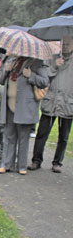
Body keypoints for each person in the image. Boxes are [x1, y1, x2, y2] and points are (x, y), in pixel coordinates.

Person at [0, 55, 49, 175]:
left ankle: (21, 166)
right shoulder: (12, 61)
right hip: (9, 106)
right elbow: (0, 80)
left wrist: (31, 75)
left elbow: (44, 82)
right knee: (9, 136)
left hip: (25, 107)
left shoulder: (37, 63)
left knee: (23, 138)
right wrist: (6, 70)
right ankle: (6, 165)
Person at [29, 35, 73, 173]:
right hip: (51, 102)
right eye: (64, 43)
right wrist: (55, 66)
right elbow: (44, 77)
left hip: (67, 103)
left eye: (68, 44)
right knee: (42, 133)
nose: (65, 46)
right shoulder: (52, 58)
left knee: (63, 136)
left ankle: (57, 162)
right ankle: (36, 160)